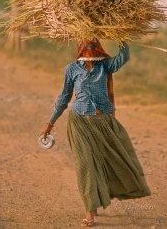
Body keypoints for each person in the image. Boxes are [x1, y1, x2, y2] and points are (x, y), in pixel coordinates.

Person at [42, 39, 151, 227]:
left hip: (104, 122)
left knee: (114, 159)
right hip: (79, 123)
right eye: (85, 46)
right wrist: (50, 123)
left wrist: (121, 37)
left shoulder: (105, 65)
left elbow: (124, 57)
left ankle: (109, 193)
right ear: (79, 49)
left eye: (92, 46)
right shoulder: (72, 69)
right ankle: (90, 211)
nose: (89, 49)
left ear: (98, 47)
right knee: (86, 166)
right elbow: (64, 97)